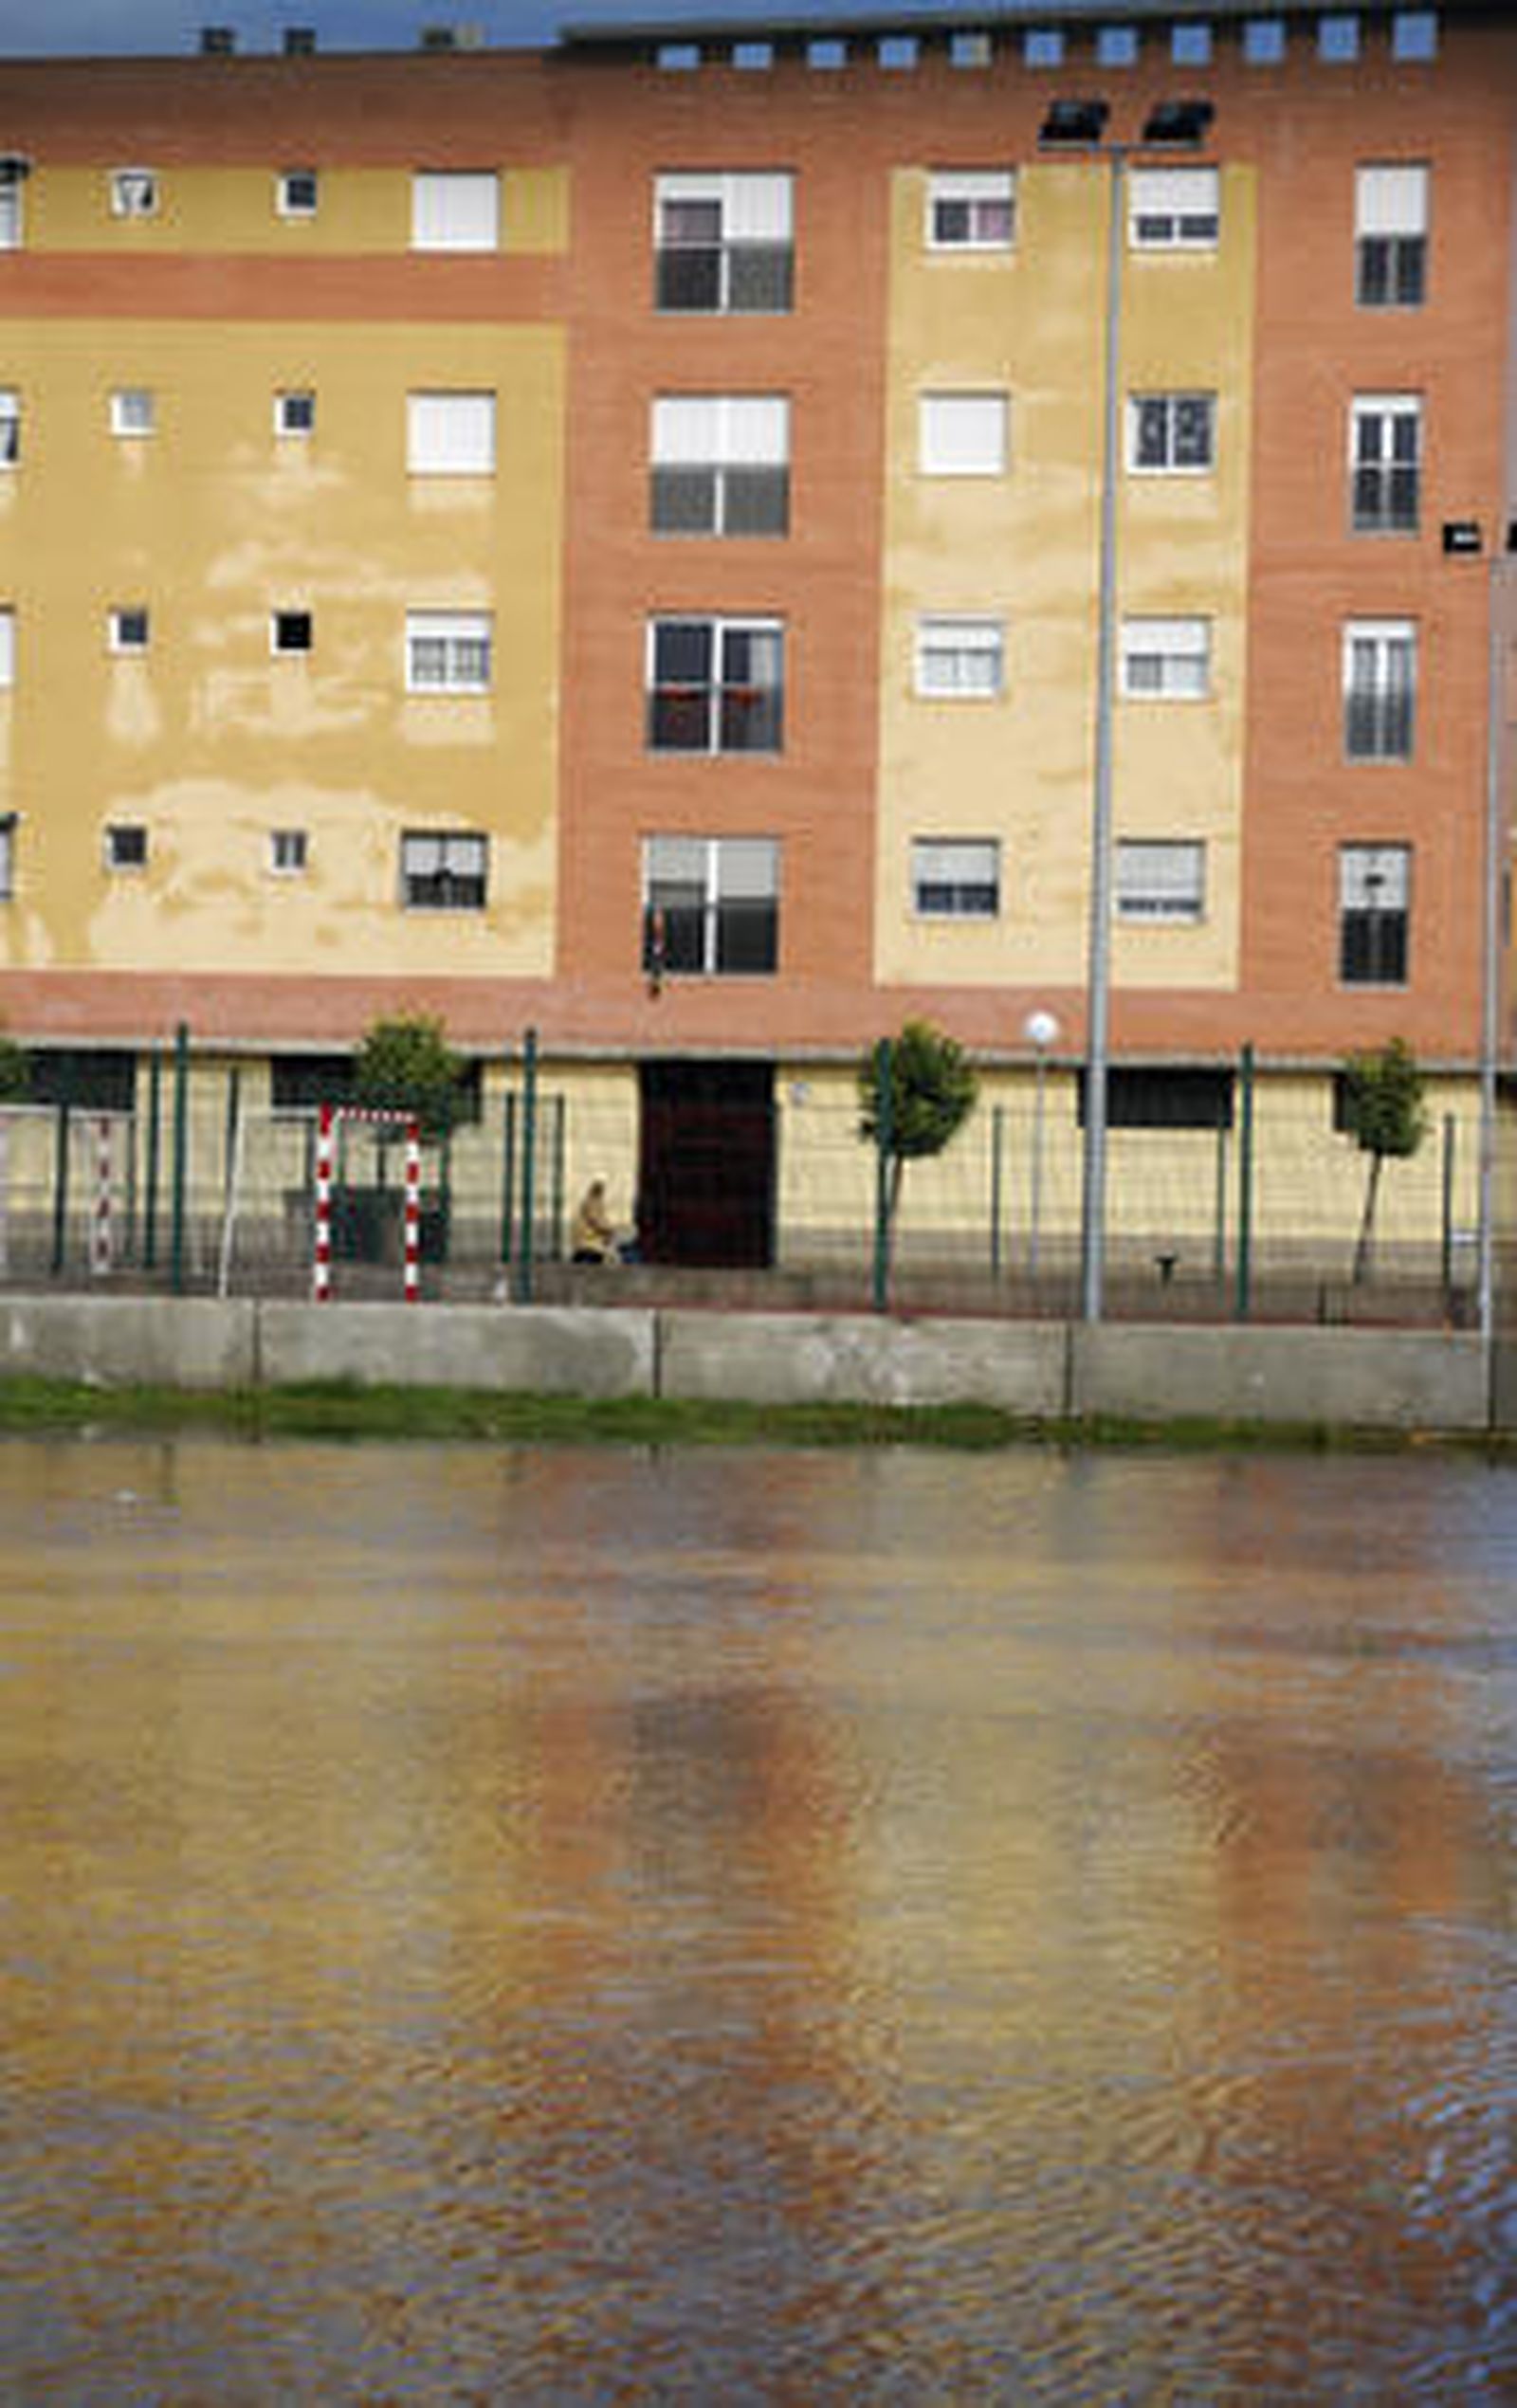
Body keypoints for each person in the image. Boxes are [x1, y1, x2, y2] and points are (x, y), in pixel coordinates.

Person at [570, 1177, 616, 1265]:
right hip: (589, 1243)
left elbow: (601, 1219)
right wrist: (606, 1230)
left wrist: (608, 1229)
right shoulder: (591, 1202)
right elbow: (594, 1220)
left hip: (593, 1242)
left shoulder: (596, 1202)